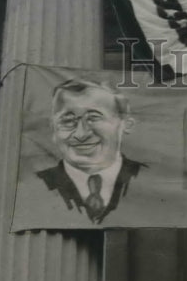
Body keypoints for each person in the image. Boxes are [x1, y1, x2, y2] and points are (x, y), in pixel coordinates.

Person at [35, 79, 145, 223]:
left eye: (94, 118)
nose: (81, 134)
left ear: (126, 125)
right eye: (67, 121)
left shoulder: (153, 180)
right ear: (53, 128)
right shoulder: (34, 185)